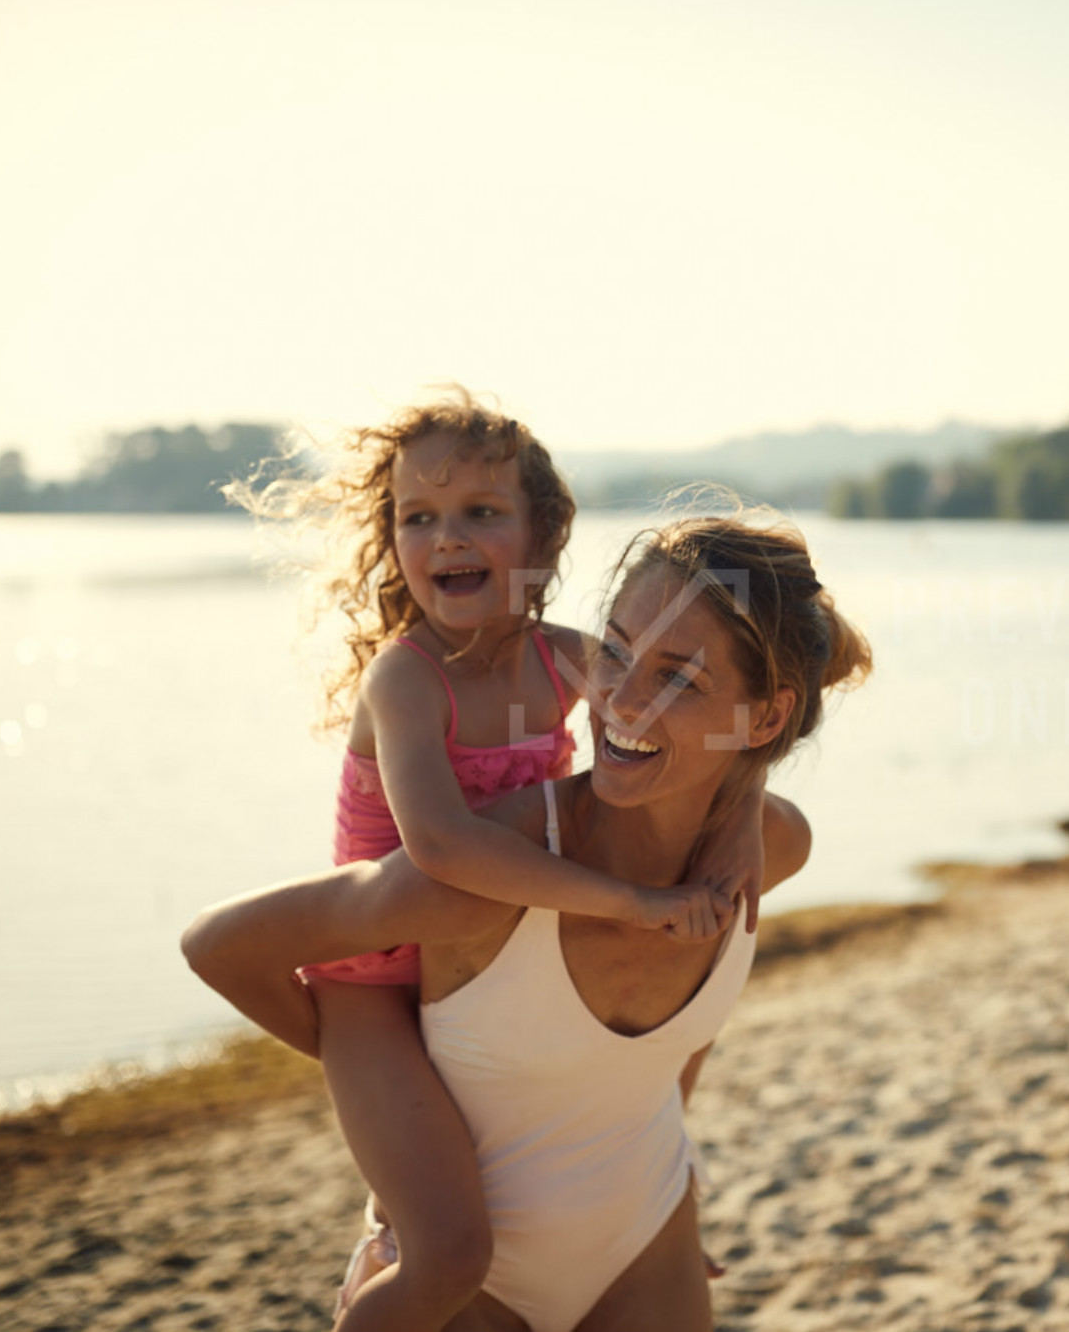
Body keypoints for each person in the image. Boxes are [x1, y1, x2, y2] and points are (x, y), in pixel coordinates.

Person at [185, 514, 870, 1331]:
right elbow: (221, 947)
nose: (622, 701)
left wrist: (678, 1157)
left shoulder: (772, 846)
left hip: (648, 1246)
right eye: (612, 652)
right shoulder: (490, 875)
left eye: (678, 681)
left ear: (764, 721)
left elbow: (675, 1041)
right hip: (468, 1285)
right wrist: (368, 1051)